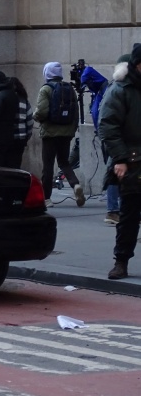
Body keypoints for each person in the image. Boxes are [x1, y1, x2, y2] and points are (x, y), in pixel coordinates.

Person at [98, 43, 141, 280]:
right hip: (132, 161)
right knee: (129, 215)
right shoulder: (120, 90)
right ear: (137, 65)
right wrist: (120, 158)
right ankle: (121, 260)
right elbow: (108, 126)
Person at [34, 61, 84, 208]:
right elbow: (75, 112)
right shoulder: (69, 88)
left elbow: (42, 112)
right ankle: (75, 185)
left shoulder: (46, 89)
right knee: (64, 162)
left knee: (48, 165)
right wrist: (72, 130)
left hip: (50, 133)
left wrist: (35, 117)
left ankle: (47, 198)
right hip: (66, 132)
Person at [82, 61, 121, 225]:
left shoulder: (107, 89)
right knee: (115, 174)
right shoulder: (117, 91)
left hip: (112, 139)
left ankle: (115, 210)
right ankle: (113, 210)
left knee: (116, 174)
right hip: (118, 141)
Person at [10, 76, 34, 170]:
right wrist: (27, 136)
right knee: (16, 163)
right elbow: (30, 121)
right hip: (21, 137)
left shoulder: (5, 100)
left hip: (9, 137)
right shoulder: (24, 101)